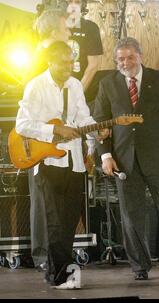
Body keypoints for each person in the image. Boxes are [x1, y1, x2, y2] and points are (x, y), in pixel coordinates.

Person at [94, 37, 159, 280]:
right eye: (121, 59)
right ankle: (139, 267)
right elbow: (100, 124)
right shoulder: (107, 84)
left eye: (130, 57)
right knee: (130, 214)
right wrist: (105, 155)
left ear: (140, 56)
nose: (125, 63)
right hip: (124, 160)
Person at [15, 41, 107, 289]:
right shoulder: (36, 86)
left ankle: (60, 272)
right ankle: (59, 276)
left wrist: (95, 132)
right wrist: (54, 129)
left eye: (71, 62)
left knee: (67, 221)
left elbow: (84, 116)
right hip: (48, 160)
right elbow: (22, 125)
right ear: (51, 62)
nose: (70, 66)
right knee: (54, 220)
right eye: (65, 62)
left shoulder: (75, 85)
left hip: (74, 161)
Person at [28, 8, 72, 271]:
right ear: (55, 30)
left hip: (54, 141)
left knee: (52, 202)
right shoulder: (42, 60)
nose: (69, 33)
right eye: (66, 28)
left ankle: (51, 255)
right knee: (43, 198)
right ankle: (44, 255)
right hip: (41, 141)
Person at [66, 0, 103, 100]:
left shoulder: (90, 28)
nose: (73, 5)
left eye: (77, 2)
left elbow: (93, 66)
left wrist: (77, 95)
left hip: (81, 89)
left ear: (83, 5)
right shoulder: (57, 25)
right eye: (69, 1)